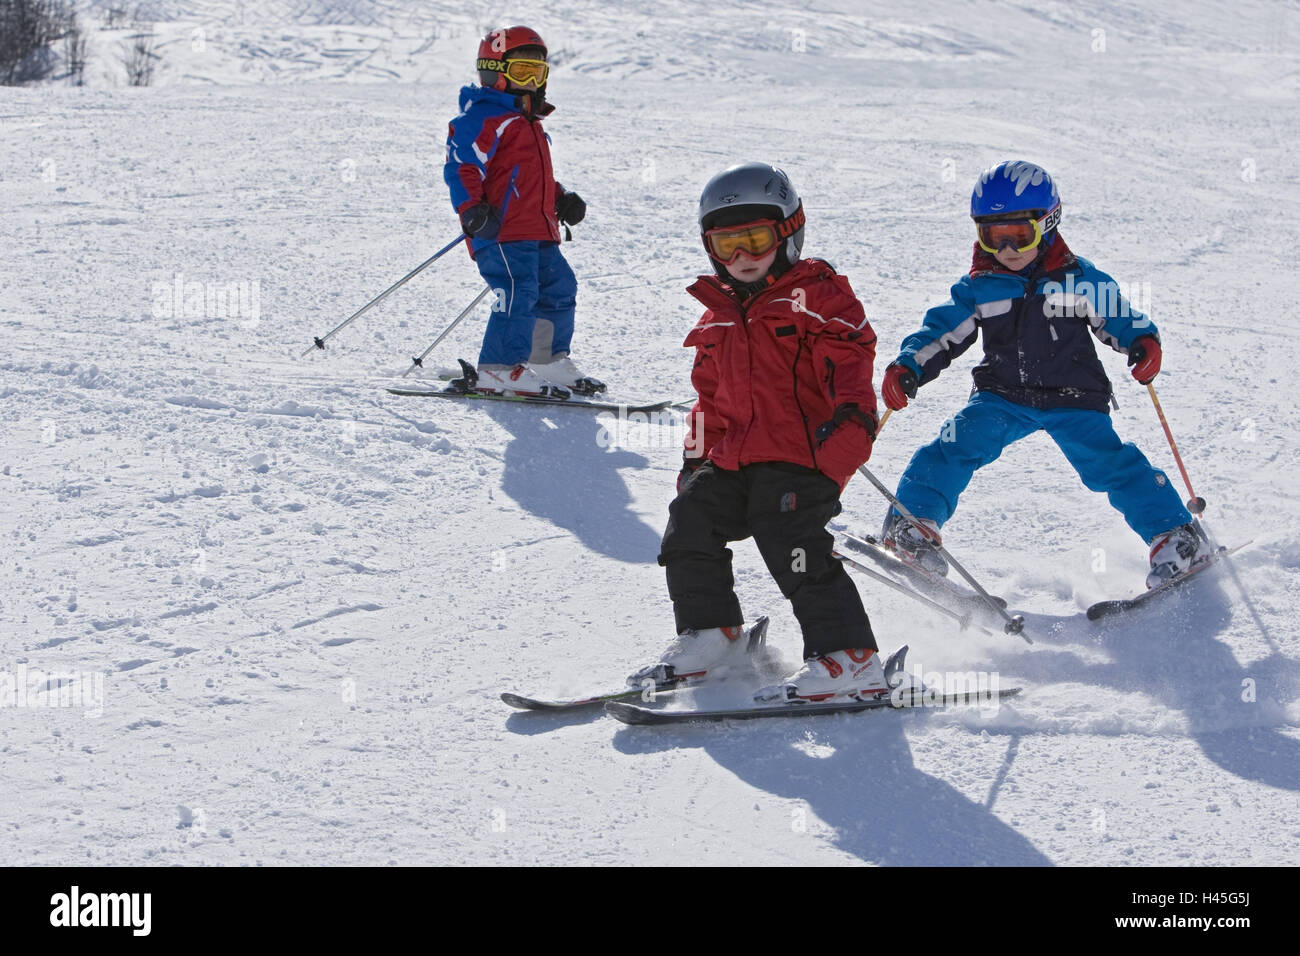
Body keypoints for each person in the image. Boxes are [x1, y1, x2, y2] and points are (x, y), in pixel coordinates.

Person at [879, 159, 1210, 589]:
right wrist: (910, 365)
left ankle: (1178, 537)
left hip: (1072, 395)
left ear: (1048, 224)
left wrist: (1141, 342)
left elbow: (1118, 315)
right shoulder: (983, 285)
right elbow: (941, 330)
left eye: (1020, 235)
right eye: (993, 237)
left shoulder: (1078, 280)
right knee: (951, 446)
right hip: (1002, 395)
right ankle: (911, 526)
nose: (1008, 249)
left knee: (1110, 464)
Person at [635, 162, 889, 703]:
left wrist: (849, 428)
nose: (741, 258)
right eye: (726, 245)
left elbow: (851, 364)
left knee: (791, 539)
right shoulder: (716, 317)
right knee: (689, 522)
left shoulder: (819, 298)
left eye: (754, 240)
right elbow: (710, 401)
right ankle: (713, 635)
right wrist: (694, 462)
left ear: (789, 232)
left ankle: (849, 657)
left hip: (803, 456)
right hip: (732, 458)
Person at [443, 25, 599, 398]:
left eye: (537, 73)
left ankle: (545, 360)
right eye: (521, 72)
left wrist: (560, 197)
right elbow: (462, 166)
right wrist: (471, 210)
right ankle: (497, 369)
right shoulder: (482, 120)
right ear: (494, 73)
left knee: (560, 288)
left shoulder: (529, 124)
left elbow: (530, 178)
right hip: (499, 231)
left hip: (538, 229)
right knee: (516, 292)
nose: (530, 82)